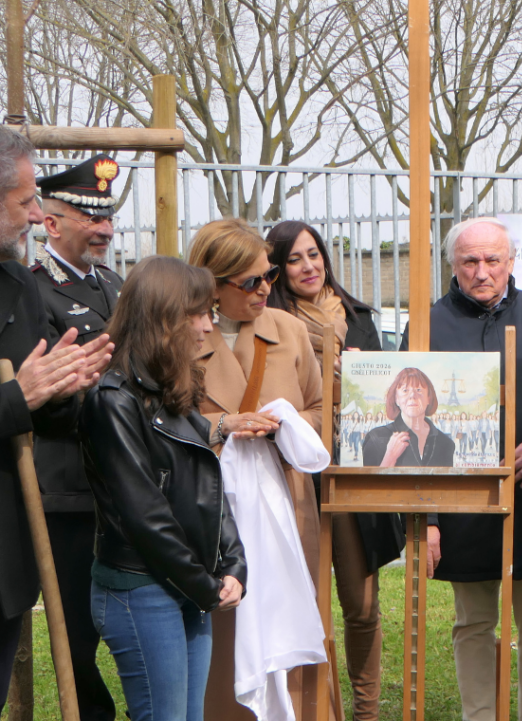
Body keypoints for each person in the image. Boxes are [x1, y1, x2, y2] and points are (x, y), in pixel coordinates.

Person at [0, 123, 112, 721]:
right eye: (28, 200)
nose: (38, 215)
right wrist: (15, 399)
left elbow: (40, 412)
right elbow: (11, 401)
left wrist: (65, 391)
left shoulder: (15, 283)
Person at [399, 217, 522, 721]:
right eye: (470, 261)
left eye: (493, 260)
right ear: (453, 265)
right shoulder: (427, 325)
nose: (482, 271)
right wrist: (426, 521)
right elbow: (408, 419)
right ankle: (480, 715)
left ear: (511, 261)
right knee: (473, 622)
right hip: (458, 505)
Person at [81, 255, 247, 721]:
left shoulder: (172, 392)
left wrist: (234, 565)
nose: (207, 325)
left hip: (188, 585)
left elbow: (208, 484)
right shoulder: (112, 401)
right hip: (141, 587)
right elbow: (145, 515)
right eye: (197, 313)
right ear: (163, 318)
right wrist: (206, 586)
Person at [187, 218, 330, 721]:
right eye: (250, 282)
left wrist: (283, 424)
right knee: (231, 630)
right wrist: (224, 425)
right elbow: (160, 424)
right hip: (219, 510)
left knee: (294, 617)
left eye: (268, 274)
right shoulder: (181, 338)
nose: (266, 287)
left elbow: (318, 411)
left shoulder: (288, 329)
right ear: (211, 284)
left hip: (287, 501)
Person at [266, 220, 403, 720]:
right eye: (294, 259)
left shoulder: (359, 318)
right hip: (297, 471)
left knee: (362, 604)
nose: (308, 266)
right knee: (307, 602)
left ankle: (366, 711)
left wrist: (367, 374)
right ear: (278, 269)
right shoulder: (273, 323)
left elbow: (393, 393)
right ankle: (318, 710)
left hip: (356, 466)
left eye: (314, 254)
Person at [29, 153, 126, 721]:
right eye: (91, 218)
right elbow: (40, 401)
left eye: (108, 218)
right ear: (52, 222)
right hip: (70, 486)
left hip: (125, 483)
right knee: (74, 627)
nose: (105, 229)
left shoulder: (116, 285)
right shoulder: (31, 292)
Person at [362, 367, 456, 467]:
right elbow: (366, 482)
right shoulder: (375, 438)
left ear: (429, 398)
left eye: (419, 390)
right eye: (405, 390)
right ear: (396, 399)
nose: (412, 395)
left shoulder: (445, 443)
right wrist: (390, 457)